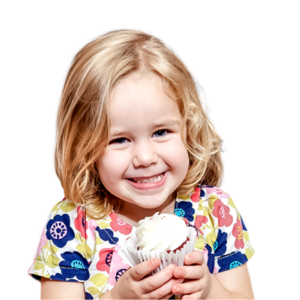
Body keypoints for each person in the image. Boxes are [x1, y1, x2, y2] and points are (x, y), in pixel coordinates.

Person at [28, 29, 255, 299]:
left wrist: (210, 290)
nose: (145, 158)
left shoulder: (215, 212)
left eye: (161, 132)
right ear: (84, 146)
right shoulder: (72, 224)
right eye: (120, 140)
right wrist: (117, 298)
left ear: (188, 128)